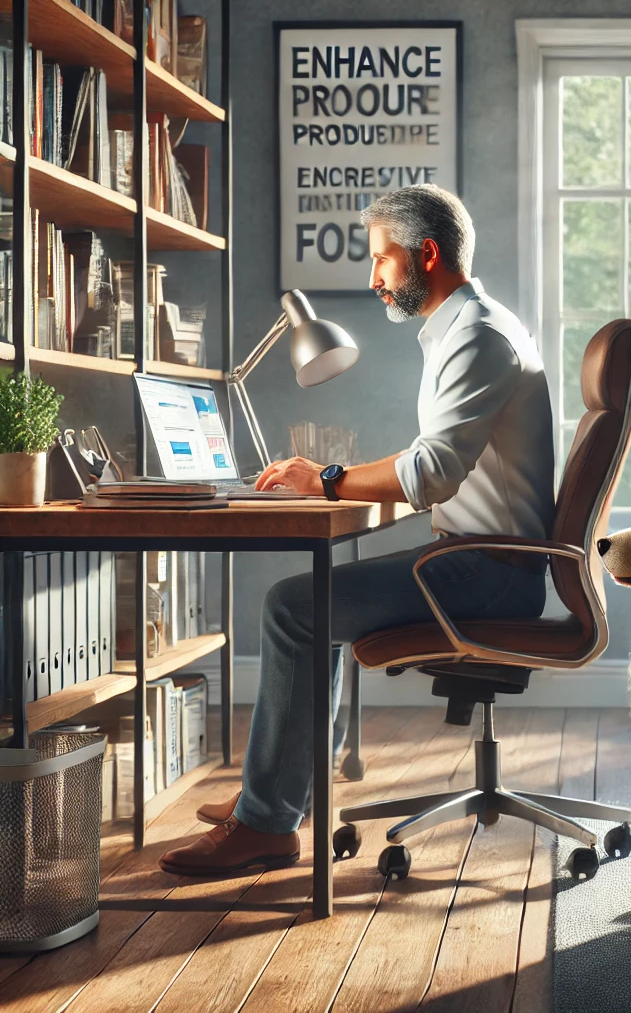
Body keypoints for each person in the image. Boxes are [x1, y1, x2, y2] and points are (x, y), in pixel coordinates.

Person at [159, 185, 555, 874]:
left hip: (493, 574)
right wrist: (333, 477)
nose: (372, 277)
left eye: (382, 260)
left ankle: (269, 823)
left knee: (294, 606)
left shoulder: (480, 337)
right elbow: (441, 463)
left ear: (426, 255)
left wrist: (329, 478)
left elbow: (431, 472)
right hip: (481, 560)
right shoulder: (468, 330)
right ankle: (279, 796)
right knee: (315, 599)